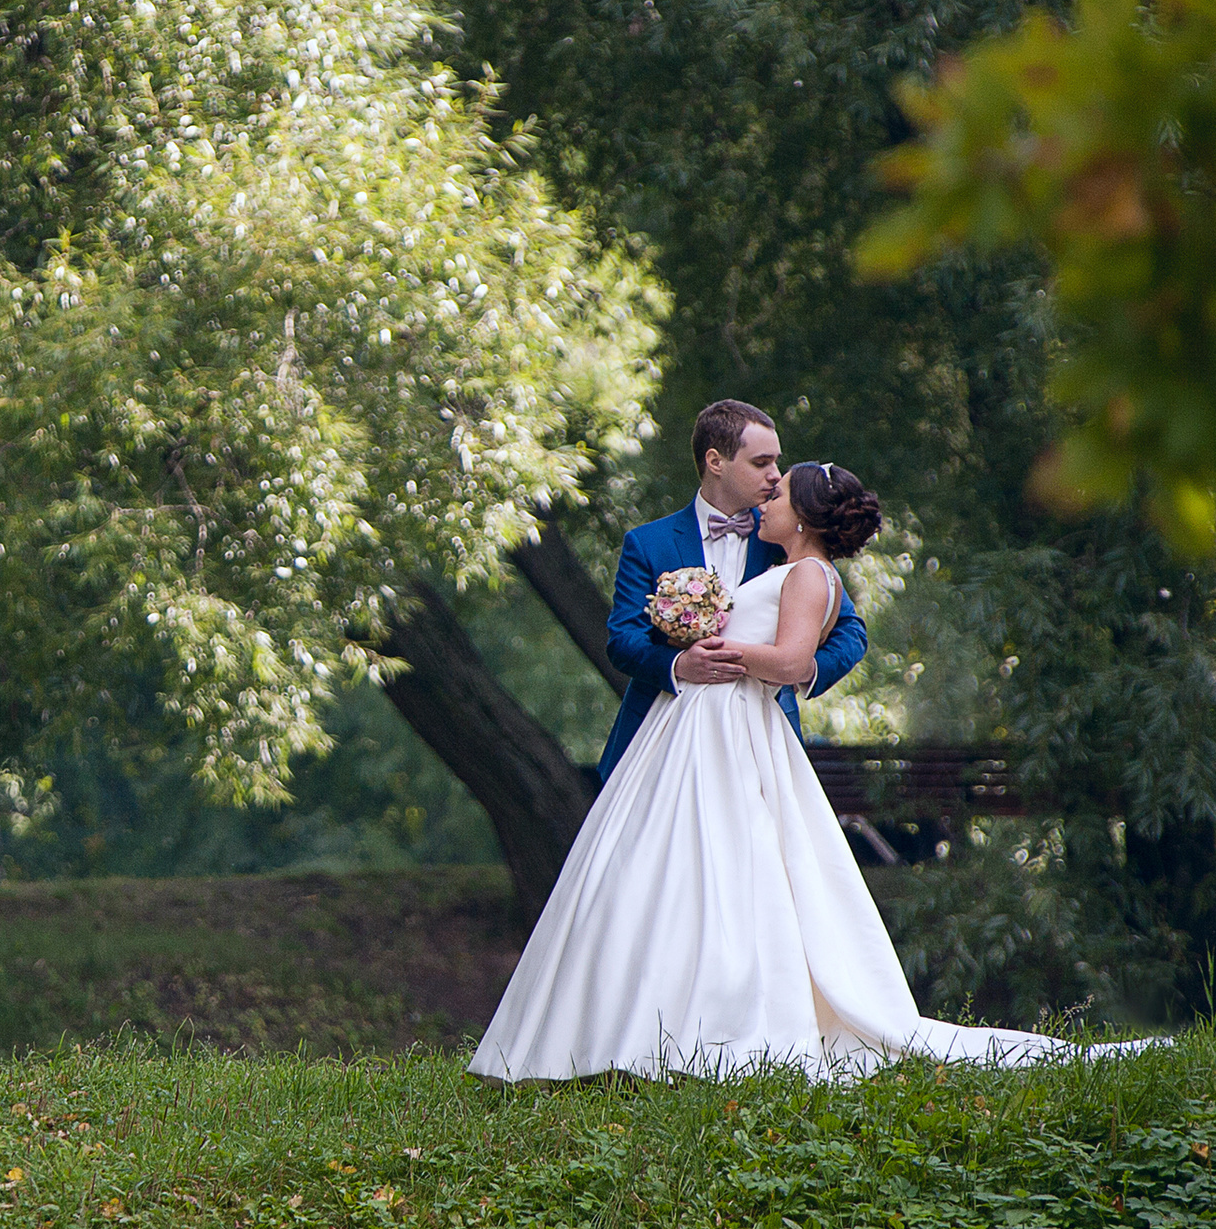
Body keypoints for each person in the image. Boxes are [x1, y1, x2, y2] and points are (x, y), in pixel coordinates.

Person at [471, 457, 1125, 1081]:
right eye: (766, 476)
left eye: (780, 490)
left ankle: (710, 1029)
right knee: (671, 868)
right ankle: (636, 1027)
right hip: (702, 725)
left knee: (730, 868)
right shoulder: (780, 564)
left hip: (731, 727)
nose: (768, 496)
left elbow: (791, 661)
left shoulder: (810, 574)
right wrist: (684, 649)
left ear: (805, 516)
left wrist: (721, 648)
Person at [595, 400, 865, 786]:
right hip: (662, 734)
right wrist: (679, 664)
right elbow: (623, 640)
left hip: (759, 734)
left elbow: (849, 629)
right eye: (761, 463)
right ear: (715, 461)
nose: (775, 475)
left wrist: (801, 668)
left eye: (776, 462)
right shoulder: (648, 543)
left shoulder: (787, 534)